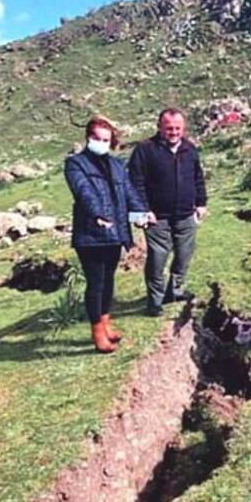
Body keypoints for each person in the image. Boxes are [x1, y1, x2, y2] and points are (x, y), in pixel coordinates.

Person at [64, 115, 152, 353]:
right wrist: (97, 214)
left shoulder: (115, 165)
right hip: (90, 232)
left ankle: (105, 322)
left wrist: (142, 211)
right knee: (96, 282)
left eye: (105, 139)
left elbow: (129, 192)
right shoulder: (76, 164)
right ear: (88, 137)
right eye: (96, 138)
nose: (100, 142)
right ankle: (96, 331)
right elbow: (83, 191)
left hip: (115, 231)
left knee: (109, 279)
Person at [128, 108, 208, 316]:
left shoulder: (190, 149)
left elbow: (197, 177)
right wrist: (143, 210)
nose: (173, 132)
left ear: (184, 128)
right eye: (169, 128)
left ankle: (174, 291)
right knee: (157, 257)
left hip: (185, 214)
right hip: (156, 216)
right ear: (159, 127)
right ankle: (154, 301)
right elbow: (135, 183)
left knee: (184, 254)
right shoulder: (144, 150)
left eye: (177, 128)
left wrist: (201, 203)